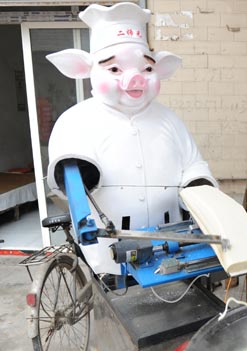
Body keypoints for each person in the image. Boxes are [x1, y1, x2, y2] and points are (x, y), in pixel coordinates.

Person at [46, 3, 216, 275]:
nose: (134, 79)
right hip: (108, 245)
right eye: (114, 70)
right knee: (114, 301)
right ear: (84, 68)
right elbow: (67, 174)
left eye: (146, 70)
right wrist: (82, 175)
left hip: (171, 238)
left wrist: (199, 188)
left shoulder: (169, 119)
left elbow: (193, 162)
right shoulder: (76, 120)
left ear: (160, 69)